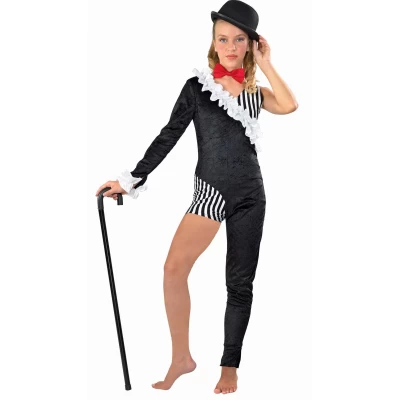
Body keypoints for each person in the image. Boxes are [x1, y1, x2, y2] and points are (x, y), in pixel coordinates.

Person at [95, 0, 298, 394]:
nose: (230, 47)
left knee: (239, 283)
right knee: (174, 268)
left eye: (239, 40)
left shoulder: (256, 93)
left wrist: (267, 62)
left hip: (251, 195)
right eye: (223, 39)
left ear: (251, 44)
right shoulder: (198, 88)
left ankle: (229, 367)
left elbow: (289, 105)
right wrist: (131, 179)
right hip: (210, 191)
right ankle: (181, 358)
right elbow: (168, 135)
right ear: (213, 42)